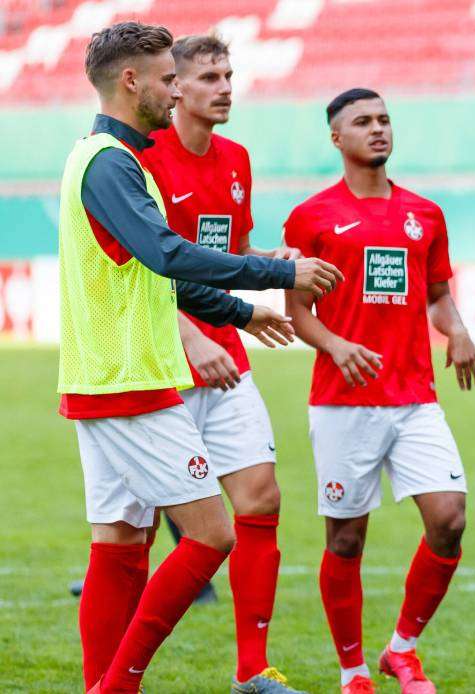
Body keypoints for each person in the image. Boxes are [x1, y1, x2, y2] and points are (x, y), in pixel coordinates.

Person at [65, 21, 341, 693]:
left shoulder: (104, 157)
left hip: (104, 380)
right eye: (169, 77)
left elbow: (162, 277)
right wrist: (275, 274)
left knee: (121, 543)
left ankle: (105, 685)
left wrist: (241, 311)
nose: (177, 88)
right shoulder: (111, 163)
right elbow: (167, 255)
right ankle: (116, 685)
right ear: (132, 82)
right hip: (133, 382)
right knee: (212, 535)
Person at [284, 88, 475, 694]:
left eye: (384, 120)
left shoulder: (425, 214)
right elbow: (298, 312)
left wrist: (458, 331)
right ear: (336, 138)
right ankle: (352, 673)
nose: (377, 130)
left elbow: (437, 295)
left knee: (449, 519)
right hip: (343, 400)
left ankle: (402, 649)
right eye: (362, 122)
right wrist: (335, 344)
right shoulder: (312, 216)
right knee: (345, 537)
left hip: (415, 398)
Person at [139, 32, 304, 693]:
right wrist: (189, 338)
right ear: (175, 87)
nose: (225, 87)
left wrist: (277, 262)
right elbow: (142, 270)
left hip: (225, 353)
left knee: (261, 498)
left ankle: (251, 671)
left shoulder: (236, 159)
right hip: (160, 362)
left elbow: (225, 254)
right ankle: (118, 672)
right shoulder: (144, 160)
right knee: (135, 530)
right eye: (209, 77)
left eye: (229, 75)